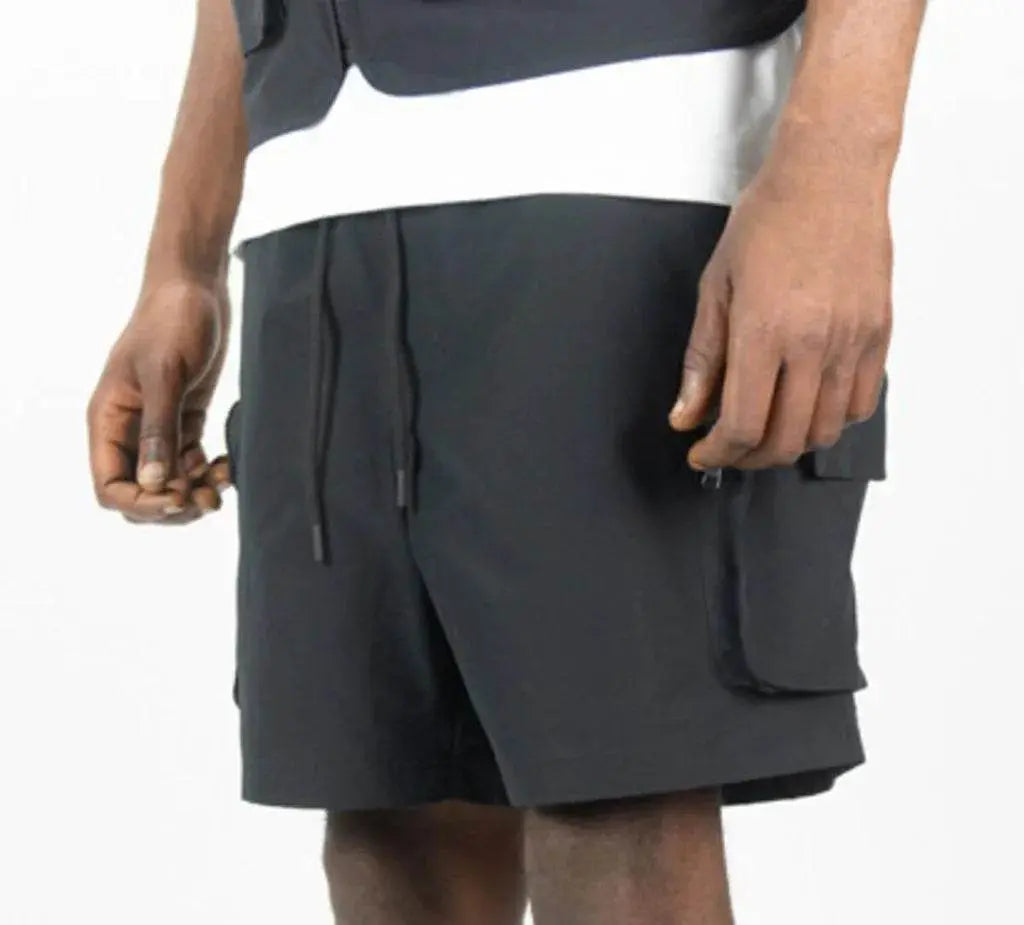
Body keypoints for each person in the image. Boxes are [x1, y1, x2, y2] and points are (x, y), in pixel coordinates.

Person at [87, 0, 926, 921]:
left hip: (626, 157)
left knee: (614, 795)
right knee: (387, 806)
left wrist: (838, 167)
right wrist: (182, 261)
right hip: (310, 197)